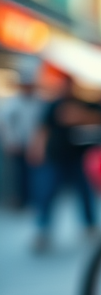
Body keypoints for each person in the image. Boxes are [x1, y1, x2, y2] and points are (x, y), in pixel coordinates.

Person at [28, 73, 101, 251]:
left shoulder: (85, 104)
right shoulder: (53, 106)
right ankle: (43, 231)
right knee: (47, 194)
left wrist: (82, 116)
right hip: (56, 157)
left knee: (85, 193)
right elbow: (43, 129)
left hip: (79, 158)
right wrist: (37, 149)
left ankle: (90, 226)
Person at [0, 79, 42, 209]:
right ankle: (21, 200)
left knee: (34, 174)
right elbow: (6, 124)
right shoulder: (13, 103)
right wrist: (11, 141)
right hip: (18, 145)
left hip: (33, 145)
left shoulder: (38, 102)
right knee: (19, 175)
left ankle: (33, 199)